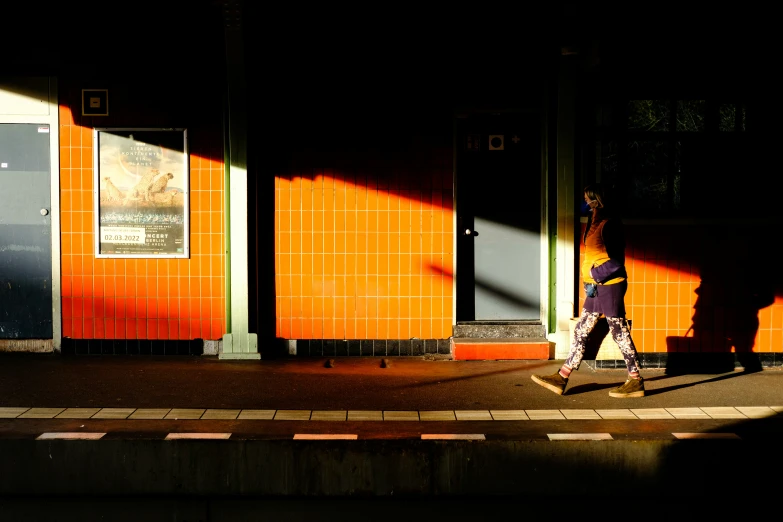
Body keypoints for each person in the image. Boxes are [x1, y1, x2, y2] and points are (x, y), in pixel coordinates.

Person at [532, 183, 644, 397]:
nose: (585, 203)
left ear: (598, 201)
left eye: (587, 200)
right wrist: (589, 280)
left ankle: (635, 380)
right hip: (595, 288)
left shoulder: (610, 224)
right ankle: (562, 377)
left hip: (611, 287)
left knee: (619, 331)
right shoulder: (595, 222)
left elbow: (617, 261)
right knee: (581, 329)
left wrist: (594, 274)